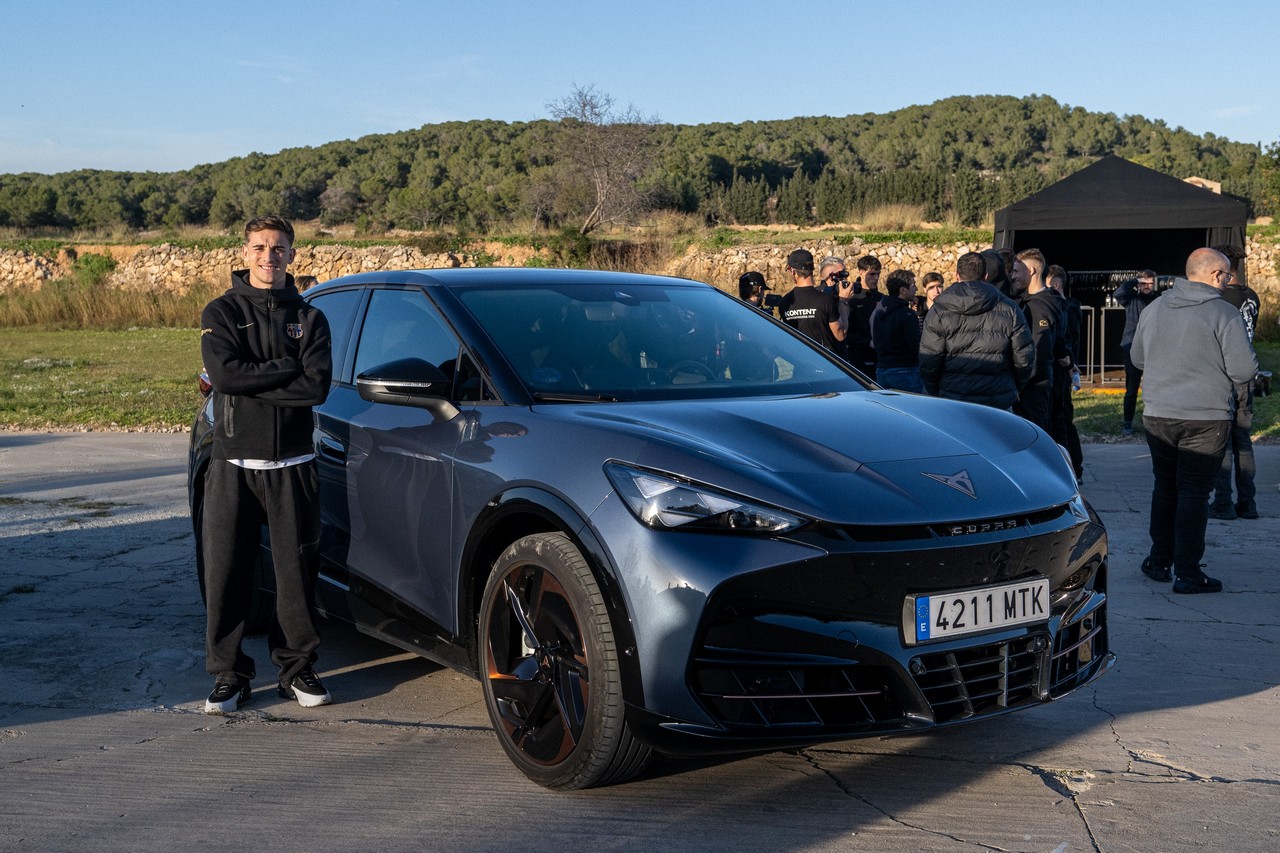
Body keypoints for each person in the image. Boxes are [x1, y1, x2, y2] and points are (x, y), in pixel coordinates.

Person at [199, 215, 334, 712]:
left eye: (278, 248)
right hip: (233, 464)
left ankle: (296, 670)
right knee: (227, 574)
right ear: (244, 252)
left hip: (294, 464)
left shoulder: (311, 319)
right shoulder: (222, 311)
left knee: (295, 576)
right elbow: (226, 377)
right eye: (259, 247)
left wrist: (255, 377)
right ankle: (229, 674)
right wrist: (286, 368)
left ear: (292, 254)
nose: (268, 256)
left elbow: (315, 387)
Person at [1131, 248, 1257, 594]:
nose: (1228, 281)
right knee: (1194, 493)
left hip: (1159, 413)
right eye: (1227, 275)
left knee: (1165, 486)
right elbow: (1244, 370)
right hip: (1206, 416)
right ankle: (1188, 572)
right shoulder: (1224, 313)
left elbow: (1137, 358)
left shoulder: (1155, 308)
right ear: (1216, 275)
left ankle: (1159, 561)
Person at [919, 252, 1034, 409]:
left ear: (957, 275)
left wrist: (936, 391)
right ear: (985, 276)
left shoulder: (939, 310)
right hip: (997, 398)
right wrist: (1014, 387)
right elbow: (1024, 357)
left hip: (952, 397)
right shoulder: (1010, 309)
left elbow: (929, 360)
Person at [1208, 244, 1262, 520]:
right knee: (1243, 441)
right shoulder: (1251, 296)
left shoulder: (1219, 300)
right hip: (1247, 374)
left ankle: (1223, 502)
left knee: (1222, 442)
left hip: (1224, 375)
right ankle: (1248, 503)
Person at [1013, 248, 1064, 433]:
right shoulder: (1036, 301)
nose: (1013, 276)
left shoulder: (1039, 307)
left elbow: (1037, 350)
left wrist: (1020, 384)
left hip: (1033, 386)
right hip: (1035, 384)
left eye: (1016, 271)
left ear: (1031, 271)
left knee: (1033, 434)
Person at [1046, 264, 1084, 481]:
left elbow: (1062, 340)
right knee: (1064, 420)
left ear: (1056, 285)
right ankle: (1075, 467)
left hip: (1061, 371)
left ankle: (1072, 468)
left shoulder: (1065, 309)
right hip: (1065, 369)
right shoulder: (1072, 308)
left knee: (1062, 421)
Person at [1114, 269, 1161, 434]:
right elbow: (1118, 293)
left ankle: (1154, 424)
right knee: (1131, 389)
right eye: (1144, 283)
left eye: (1150, 283)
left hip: (1154, 349)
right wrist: (1136, 280)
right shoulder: (1132, 299)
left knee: (1155, 389)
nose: (1147, 286)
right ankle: (1127, 423)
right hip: (1132, 347)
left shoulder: (1159, 300)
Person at [777, 248, 847, 352]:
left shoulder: (785, 303)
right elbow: (841, 335)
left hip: (798, 358)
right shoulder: (826, 300)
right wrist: (843, 301)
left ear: (792, 271)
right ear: (812, 269)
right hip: (824, 359)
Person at [871, 270, 924, 392]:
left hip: (882, 369)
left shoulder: (880, 310)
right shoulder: (906, 314)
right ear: (903, 290)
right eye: (913, 285)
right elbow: (915, 345)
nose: (916, 289)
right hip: (905, 370)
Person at [846, 255, 883, 378]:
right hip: (858, 359)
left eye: (878, 274)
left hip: (881, 358)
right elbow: (846, 332)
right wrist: (868, 342)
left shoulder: (882, 298)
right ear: (861, 272)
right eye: (872, 274)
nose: (876, 278)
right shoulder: (851, 298)